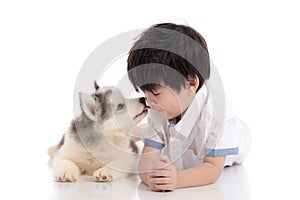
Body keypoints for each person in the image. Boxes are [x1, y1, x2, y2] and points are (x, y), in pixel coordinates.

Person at [127, 23, 251, 191]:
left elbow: (213, 168)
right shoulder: (160, 109)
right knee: (159, 137)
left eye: (155, 94)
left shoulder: (219, 115)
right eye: (145, 93)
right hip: (181, 141)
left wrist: (177, 179)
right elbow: (147, 159)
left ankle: (141, 132)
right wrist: (152, 177)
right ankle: (142, 131)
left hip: (231, 143)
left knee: (214, 143)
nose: (149, 101)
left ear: (191, 83)